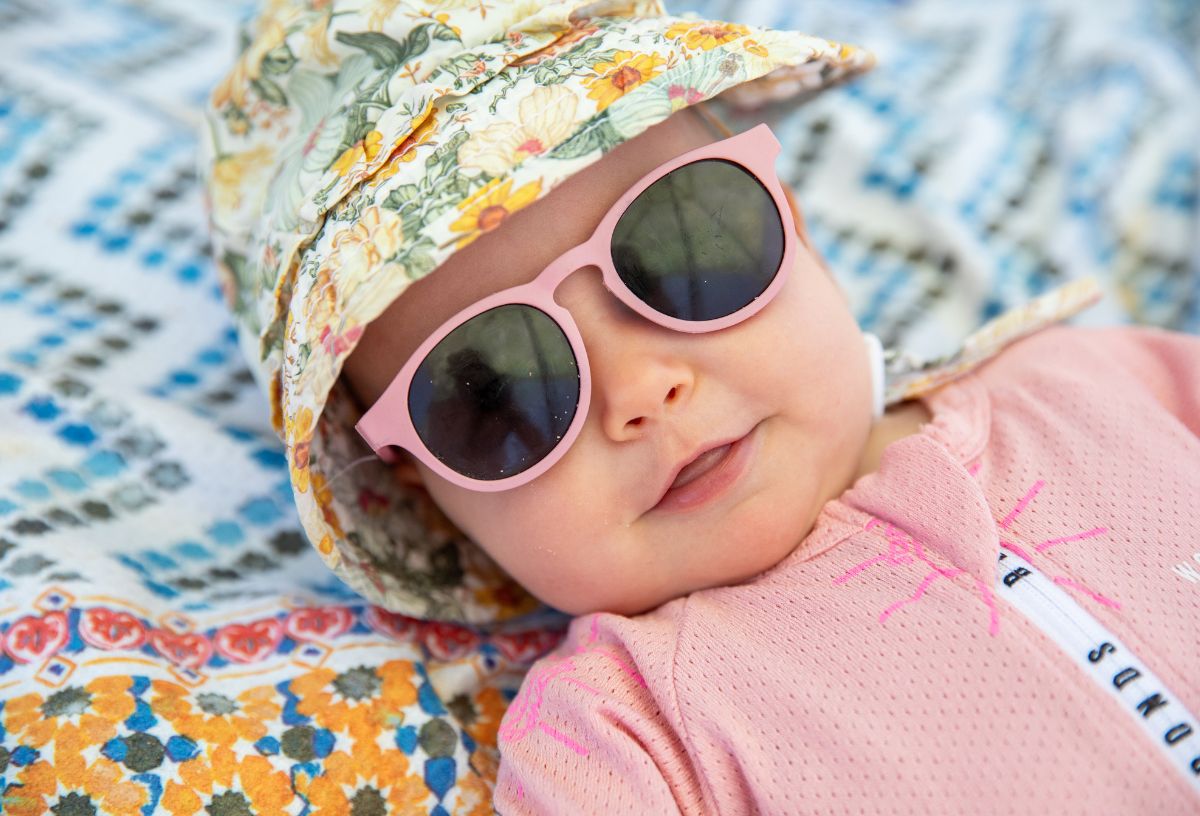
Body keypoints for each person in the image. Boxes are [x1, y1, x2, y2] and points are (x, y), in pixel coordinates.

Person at [202, 1, 1200, 812]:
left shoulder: (1093, 383)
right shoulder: (624, 744)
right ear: (422, 489)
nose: (643, 391)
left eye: (679, 247)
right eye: (496, 388)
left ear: (791, 223)